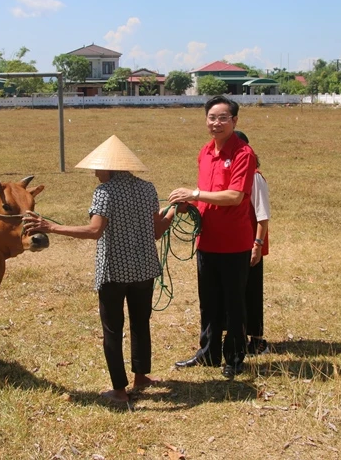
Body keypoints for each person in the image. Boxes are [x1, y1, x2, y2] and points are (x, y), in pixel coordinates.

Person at [23, 135, 174, 404]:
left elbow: (94, 231)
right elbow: (157, 231)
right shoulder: (147, 189)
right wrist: (173, 211)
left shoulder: (105, 192)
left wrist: (51, 227)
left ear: (109, 168)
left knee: (112, 329)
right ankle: (141, 377)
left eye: (97, 168)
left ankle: (119, 389)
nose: (94, 173)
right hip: (144, 270)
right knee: (141, 324)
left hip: (114, 273)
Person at [168, 96, 256, 379]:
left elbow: (234, 196)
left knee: (234, 303)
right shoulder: (205, 152)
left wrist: (194, 194)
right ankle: (208, 353)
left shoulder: (243, 154)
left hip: (233, 243)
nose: (216, 123)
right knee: (209, 301)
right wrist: (189, 203)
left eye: (222, 118)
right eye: (211, 118)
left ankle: (234, 357)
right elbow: (204, 189)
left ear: (234, 121)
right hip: (207, 240)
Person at [234, 130, 270, 355]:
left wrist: (257, 244)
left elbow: (262, 215)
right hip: (234, 243)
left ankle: (257, 340)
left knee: (252, 291)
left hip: (250, 245)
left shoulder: (255, 177)